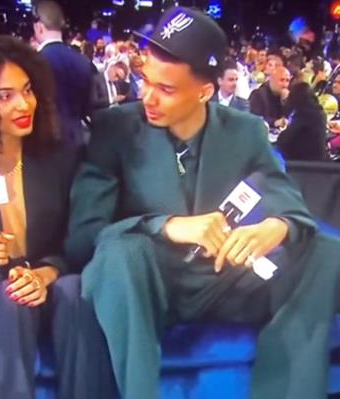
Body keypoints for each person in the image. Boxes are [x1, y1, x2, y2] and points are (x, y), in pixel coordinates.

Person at [66, 7, 340, 399]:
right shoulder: (116, 129)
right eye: (146, 81)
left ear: (205, 91)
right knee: (120, 253)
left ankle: (284, 389)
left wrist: (276, 226)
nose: (148, 97)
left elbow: (282, 192)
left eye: (167, 89)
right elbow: (83, 237)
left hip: (227, 278)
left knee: (326, 252)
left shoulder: (244, 130)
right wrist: (168, 226)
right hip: (150, 283)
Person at [0, 35, 116, 399]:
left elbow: (77, 238)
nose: (23, 103)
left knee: (76, 290)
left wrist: (47, 272)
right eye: (4, 96)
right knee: (7, 298)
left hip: (53, 284)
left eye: (27, 90)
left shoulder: (62, 154)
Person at [33, 0, 93, 147]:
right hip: (77, 142)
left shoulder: (34, 62)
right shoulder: (83, 62)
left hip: (44, 145)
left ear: (39, 27)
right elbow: (87, 105)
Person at [276, 82, 328, 161]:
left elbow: (285, 139)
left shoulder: (305, 114)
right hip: (318, 160)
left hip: (302, 164)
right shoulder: (319, 111)